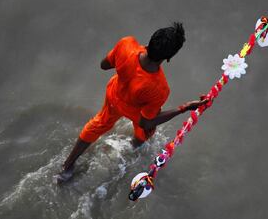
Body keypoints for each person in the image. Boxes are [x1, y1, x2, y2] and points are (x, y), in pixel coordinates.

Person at [56, 22, 208, 183]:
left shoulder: (126, 44)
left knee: (98, 124)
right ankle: (132, 148)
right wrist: (183, 108)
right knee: (144, 134)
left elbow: (104, 65)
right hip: (135, 110)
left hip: (114, 94)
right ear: (169, 58)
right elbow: (146, 121)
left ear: (150, 41)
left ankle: (67, 166)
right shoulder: (160, 88)